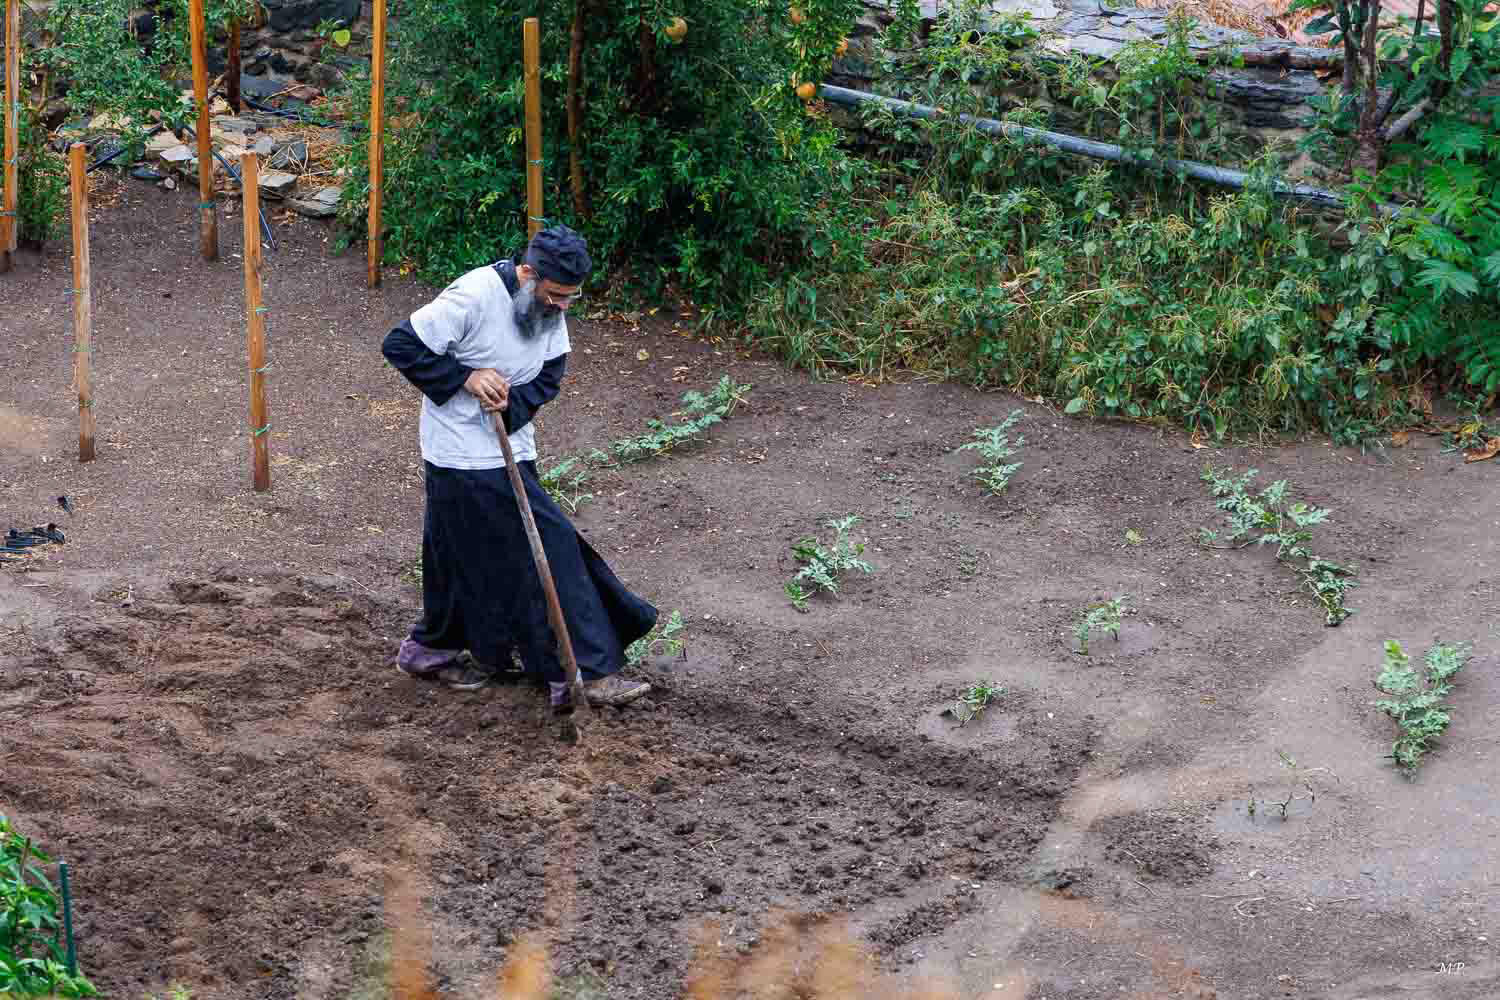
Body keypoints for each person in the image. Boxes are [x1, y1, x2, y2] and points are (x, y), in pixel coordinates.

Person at [381, 225, 656, 708]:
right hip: (460, 452)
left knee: (458, 550)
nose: (563, 307)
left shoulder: (547, 305)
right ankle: (580, 671)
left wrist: (513, 406)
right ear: (528, 274)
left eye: (572, 298)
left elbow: (551, 371)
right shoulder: (473, 296)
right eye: (556, 296)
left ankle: (432, 649)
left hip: (511, 446)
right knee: (548, 549)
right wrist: (465, 377)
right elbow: (400, 345)